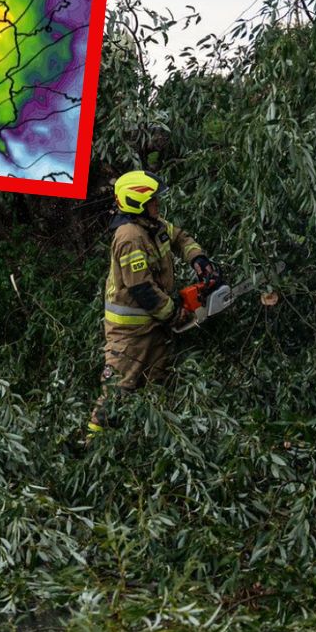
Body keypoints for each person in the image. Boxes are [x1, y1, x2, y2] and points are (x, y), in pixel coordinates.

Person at [89, 170, 218, 436]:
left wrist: (199, 260)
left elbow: (180, 237)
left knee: (155, 388)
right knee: (116, 393)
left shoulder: (153, 225)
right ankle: (91, 446)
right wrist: (174, 314)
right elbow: (142, 288)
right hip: (129, 334)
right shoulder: (130, 238)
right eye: (153, 200)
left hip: (155, 326)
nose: (157, 204)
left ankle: (140, 442)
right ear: (137, 203)